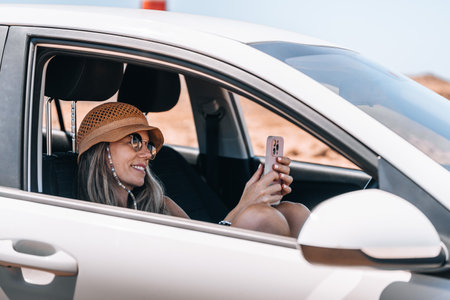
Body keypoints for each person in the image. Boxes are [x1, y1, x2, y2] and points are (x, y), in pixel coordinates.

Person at [77, 102, 310, 237]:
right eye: (134, 141)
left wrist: (248, 202)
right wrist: (245, 207)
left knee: (293, 211)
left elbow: (203, 244)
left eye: (148, 146)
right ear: (102, 152)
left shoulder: (161, 204)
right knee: (258, 217)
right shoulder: (79, 218)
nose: (147, 154)